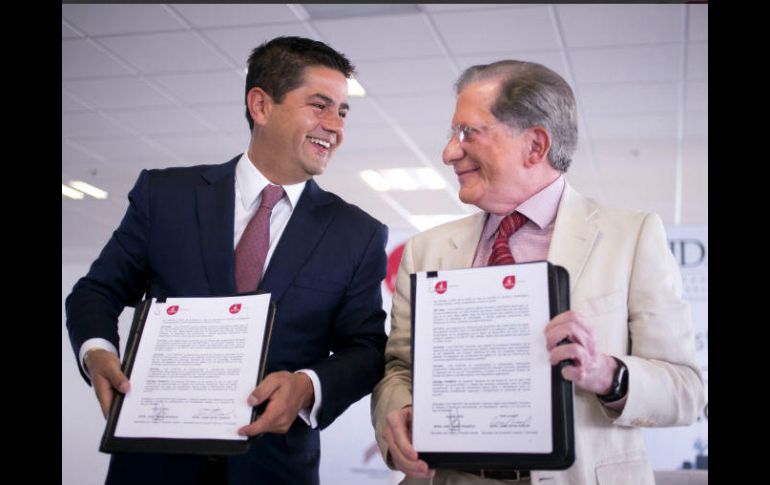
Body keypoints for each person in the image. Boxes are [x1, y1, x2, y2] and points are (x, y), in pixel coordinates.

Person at [66, 36, 388, 485]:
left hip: (274, 469)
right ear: (260, 105)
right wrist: (97, 353)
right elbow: (96, 291)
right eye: (319, 105)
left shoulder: (358, 233)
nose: (335, 125)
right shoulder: (165, 197)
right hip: (151, 464)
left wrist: (308, 385)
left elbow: (368, 347)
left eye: (343, 112)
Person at [371, 60, 704, 485]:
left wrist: (606, 373)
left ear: (535, 145)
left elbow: (686, 391)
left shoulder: (632, 237)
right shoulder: (426, 250)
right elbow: (400, 369)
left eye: (467, 132)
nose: (449, 152)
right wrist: (398, 413)